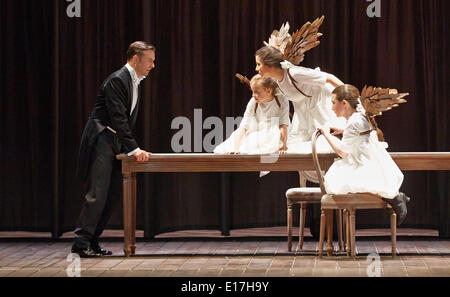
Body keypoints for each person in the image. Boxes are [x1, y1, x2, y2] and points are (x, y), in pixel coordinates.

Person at [72, 41, 155, 257]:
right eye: (150, 61)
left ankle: (93, 241)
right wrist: (135, 149)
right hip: (102, 137)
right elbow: (118, 119)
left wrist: (128, 147)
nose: (153, 65)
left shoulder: (135, 81)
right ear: (135, 59)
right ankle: (81, 244)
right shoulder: (117, 80)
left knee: (112, 194)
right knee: (97, 193)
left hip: (115, 140)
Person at [318, 84, 410, 225]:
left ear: (344, 103)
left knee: (338, 182)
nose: (332, 107)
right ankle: (393, 197)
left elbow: (343, 152)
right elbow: (359, 134)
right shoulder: (357, 118)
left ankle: (395, 197)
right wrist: (344, 131)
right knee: (341, 182)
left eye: (333, 103)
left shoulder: (354, 122)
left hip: (366, 164)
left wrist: (326, 134)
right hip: (370, 161)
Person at [255, 45, 345, 155]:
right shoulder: (277, 81)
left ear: (270, 64)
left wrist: (351, 96)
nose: (256, 69)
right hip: (303, 112)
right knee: (299, 148)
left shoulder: (294, 73)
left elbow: (329, 78)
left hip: (319, 105)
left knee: (326, 145)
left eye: (259, 64)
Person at [214, 74, 290, 155]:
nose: (253, 95)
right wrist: (236, 148)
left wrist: (283, 146)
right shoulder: (253, 101)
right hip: (258, 128)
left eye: (257, 92)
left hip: (277, 130)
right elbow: (244, 126)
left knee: (272, 140)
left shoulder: (281, 100)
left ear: (268, 91)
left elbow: (283, 125)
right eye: (252, 91)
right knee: (250, 142)